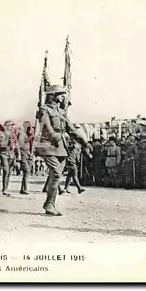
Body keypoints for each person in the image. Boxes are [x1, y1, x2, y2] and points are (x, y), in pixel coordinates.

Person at [34, 85, 92, 216]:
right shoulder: (44, 109)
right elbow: (46, 125)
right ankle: (49, 204)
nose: (63, 96)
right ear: (52, 95)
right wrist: (54, 135)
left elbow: (71, 129)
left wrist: (84, 142)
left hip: (61, 147)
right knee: (55, 173)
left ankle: (50, 202)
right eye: (60, 94)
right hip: (47, 144)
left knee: (57, 175)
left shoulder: (61, 112)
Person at [16, 121, 34, 194]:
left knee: (27, 172)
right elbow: (21, 143)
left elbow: (32, 144)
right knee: (26, 171)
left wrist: (31, 153)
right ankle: (25, 188)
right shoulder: (21, 134)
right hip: (23, 153)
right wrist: (19, 155)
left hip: (28, 154)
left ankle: (23, 189)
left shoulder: (29, 134)